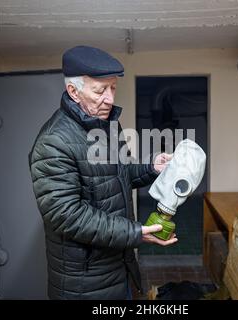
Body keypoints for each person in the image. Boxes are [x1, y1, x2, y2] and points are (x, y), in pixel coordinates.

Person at [29, 46, 177, 300]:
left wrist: (153, 167)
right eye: (100, 90)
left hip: (118, 270)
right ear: (73, 92)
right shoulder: (53, 142)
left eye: (113, 88)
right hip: (84, 285)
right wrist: (135, 232)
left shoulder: (107, 125)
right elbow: (67, 216)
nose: (109, 98)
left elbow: (118, 175)